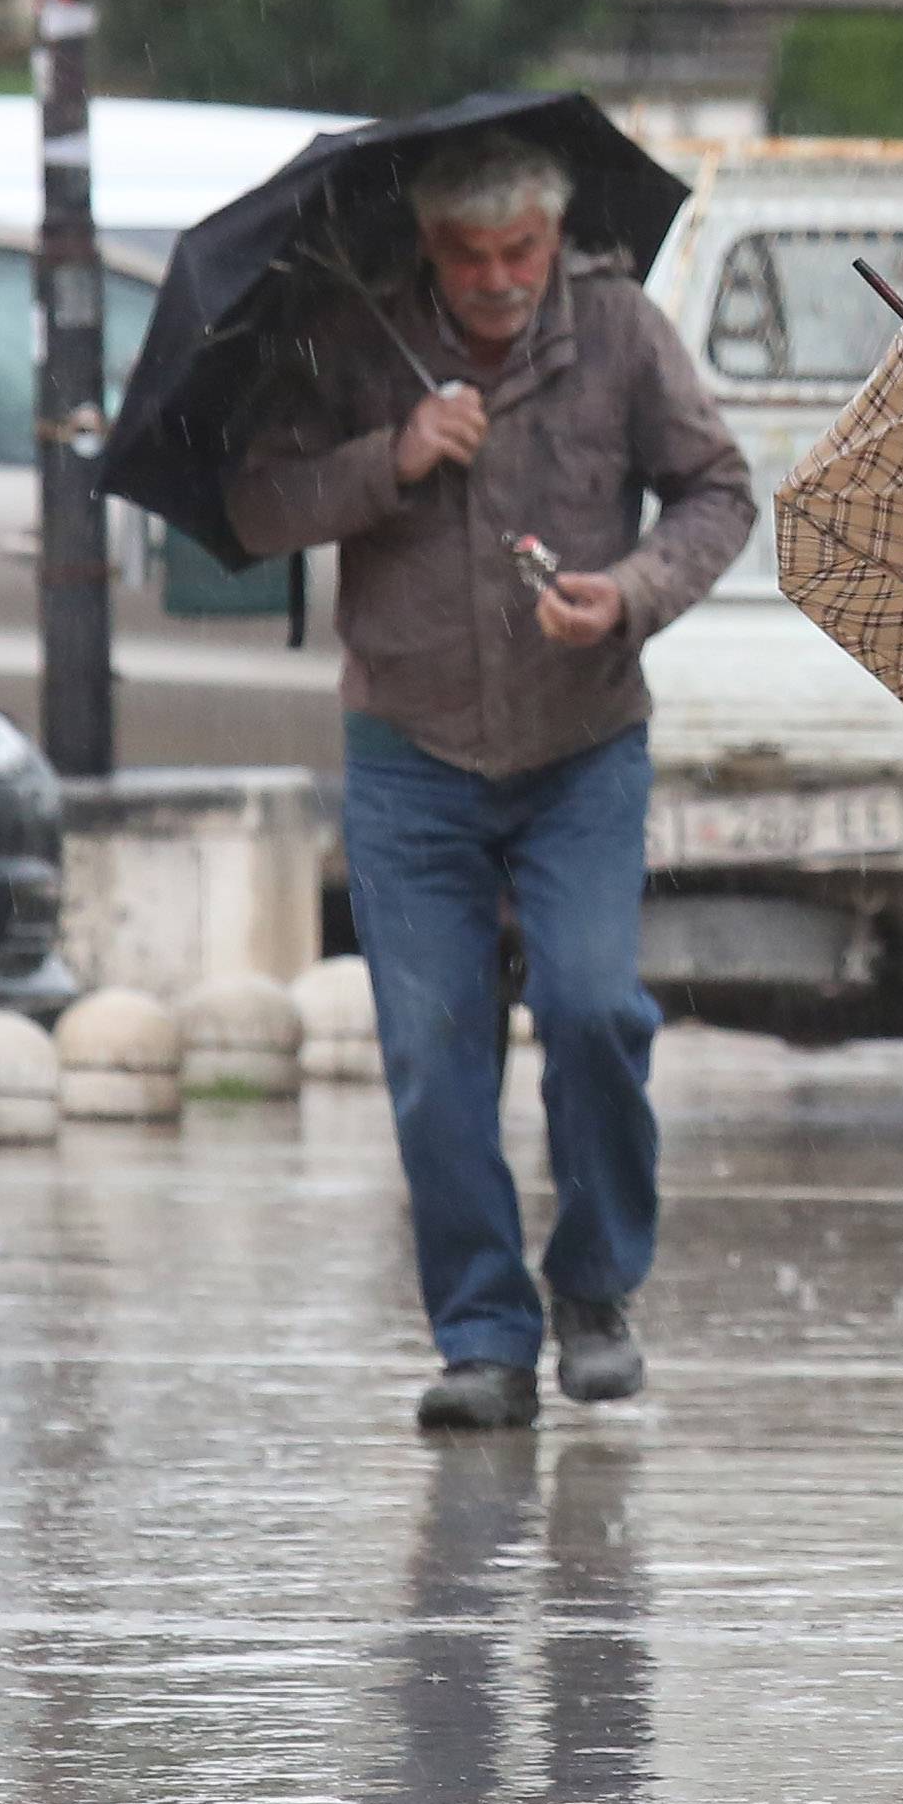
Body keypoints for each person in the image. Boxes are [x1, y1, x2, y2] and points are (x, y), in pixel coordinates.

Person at [228, 130, 755, 1432]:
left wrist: (626, 593)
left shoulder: (620, 331)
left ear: (554, 233)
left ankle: (594, 1292)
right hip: (410, 754)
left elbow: (717, 494)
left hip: (581, 744)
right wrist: (390, 459)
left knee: (591, 1011)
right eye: (467, 256)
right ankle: (480, 1336)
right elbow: (256, 507)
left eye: (518, 250)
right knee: (433, 1054)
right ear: (428, 247)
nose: (496, 278)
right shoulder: (350, 334)